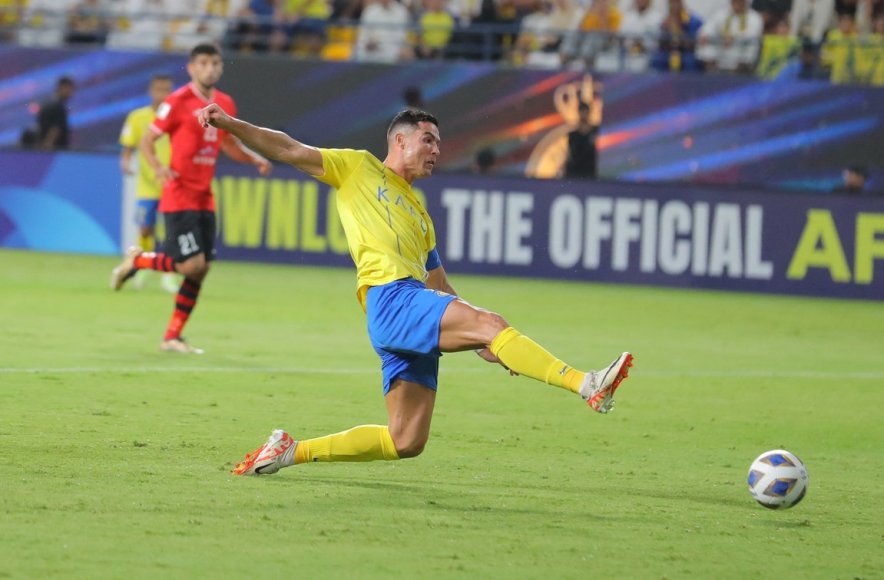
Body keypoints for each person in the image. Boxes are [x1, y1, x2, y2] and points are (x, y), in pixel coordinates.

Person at [193, 107, 633, 475]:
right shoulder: (357, 168)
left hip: (407, 308)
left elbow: (440, 286)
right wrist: (230, 123)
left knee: (406, 440)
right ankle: (587, 384)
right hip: (391, 298)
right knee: (491, 323)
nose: (436, 151)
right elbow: (288, 148)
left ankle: (290, 450)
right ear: (399, 141)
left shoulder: (421, 216)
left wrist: (485, 341)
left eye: (438, 144)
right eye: (428, 140)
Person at [110, 43, 272, 354]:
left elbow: (228, 144)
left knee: (201, 268)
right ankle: (139, 259)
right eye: (204, 63)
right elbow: (148, 140)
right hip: (179, 194)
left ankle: (172, 336)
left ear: (220, 67)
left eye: (215, 63)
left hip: (204, 196)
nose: (210, 68)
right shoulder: (177, 101)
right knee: (191, 265)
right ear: (192, 68)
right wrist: (159, 168)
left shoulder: (224, 103)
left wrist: (253, 159)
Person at [118, 73, 180, 293]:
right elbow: (128, 147)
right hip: (147, 184)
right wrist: (125, 162)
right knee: (145, 229)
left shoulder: (178, 117)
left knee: (172, 230)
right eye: (159, 90)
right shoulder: (138, 117)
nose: (163, 95)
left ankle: (170, 274)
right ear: (151, 91)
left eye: (167, 90)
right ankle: (144, 266)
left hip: (173, 183)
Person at [37, 76, 75, 150]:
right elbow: (55, 129)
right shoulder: (58, 107)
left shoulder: (47, 103)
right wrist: (46, 147)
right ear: (62, 87)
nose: (71, 93)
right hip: (56, 152)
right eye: (69, 89)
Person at [564, 100, 598, 179]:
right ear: (578, 113)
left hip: (592, 171)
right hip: (575, 172)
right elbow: (570, 154)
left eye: (585, 112)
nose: (584, 114)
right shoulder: (573, 135)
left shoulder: (596, 132)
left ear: (589, 113)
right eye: (582, 111)